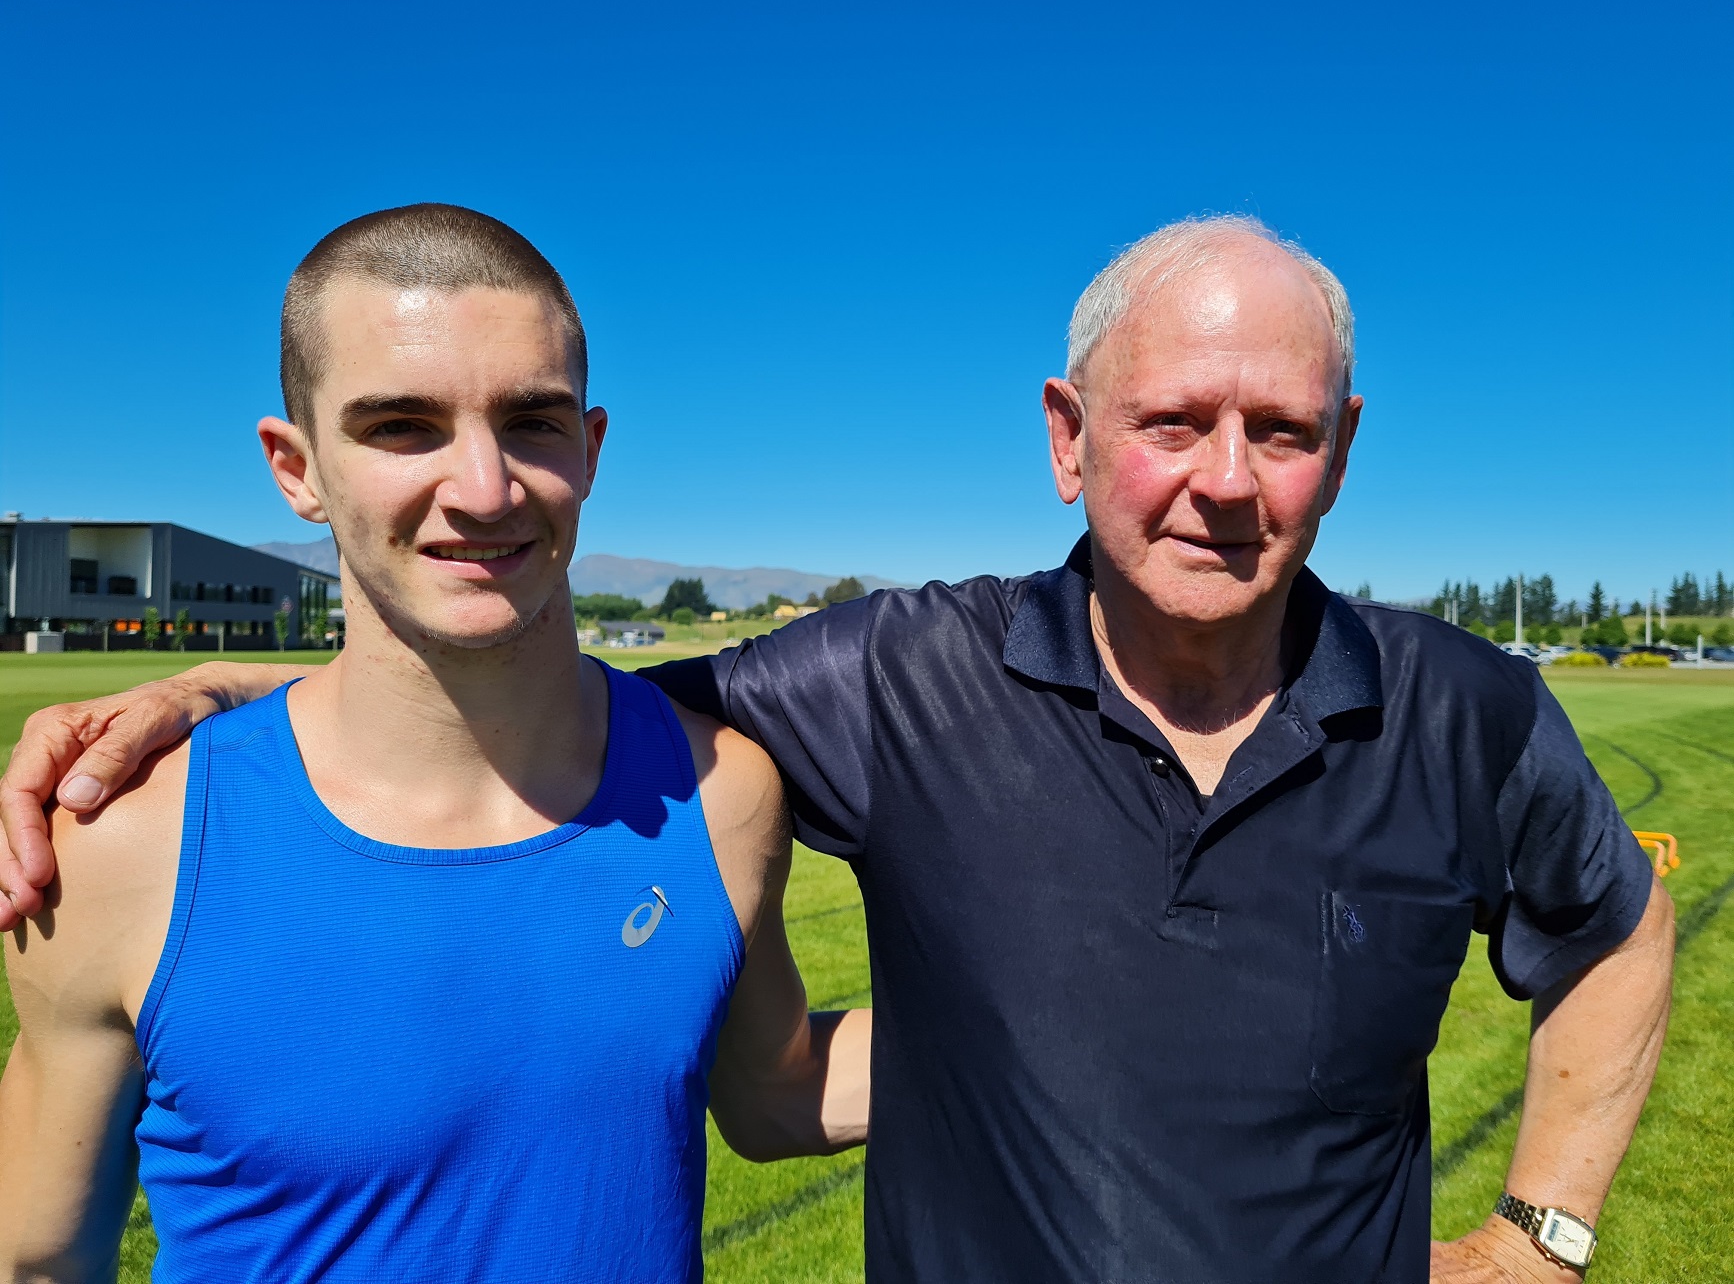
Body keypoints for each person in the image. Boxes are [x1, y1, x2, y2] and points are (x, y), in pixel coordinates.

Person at [2, 216, 1671, 1283]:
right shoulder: (897, 673)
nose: (1224, 478)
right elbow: (506, 670)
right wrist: (225, 696)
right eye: (1167, 420)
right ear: (1065, 439)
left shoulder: (1464, 709)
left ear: (1341, 449)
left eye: (1280, 429)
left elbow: (1612, 930)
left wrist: (1539, 1238)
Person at [0, 204, 868, 1282]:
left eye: (533, 421)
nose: (485, 487)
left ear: (590, 450)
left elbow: (777, 1090)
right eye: (402, 425)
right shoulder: (120, 847)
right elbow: (39, 1261)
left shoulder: (723, 792)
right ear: (296, 466)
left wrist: (1104, 1014)